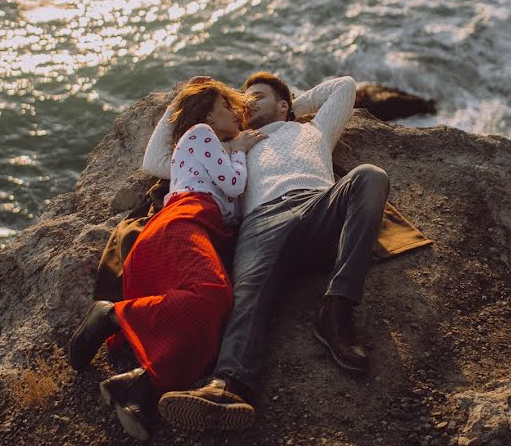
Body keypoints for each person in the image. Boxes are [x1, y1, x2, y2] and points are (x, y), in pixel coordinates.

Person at [155, 73, 390, 431]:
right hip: (262, 222)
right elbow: (156, 161)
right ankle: (227, 386)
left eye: (258, 97)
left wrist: (294, 107)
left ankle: (336, 313)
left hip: (319, 209)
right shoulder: (229, 148)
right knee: (247, 295)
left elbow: (344, 87)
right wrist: (181, 97)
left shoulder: (314, 132)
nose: (247, 103)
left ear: (284, 106)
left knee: (371, 176)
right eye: (242, 101)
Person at [67, 79, 265, 440]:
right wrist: (239, 148)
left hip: (195, 228)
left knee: (210, 317)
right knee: (213, 295)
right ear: (208, 113)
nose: (236, 113)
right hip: (181, 222)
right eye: (227, 106)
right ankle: (110, 315)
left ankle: (137, 388)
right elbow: (234, 184)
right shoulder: (201, 134)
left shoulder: (205, 147)